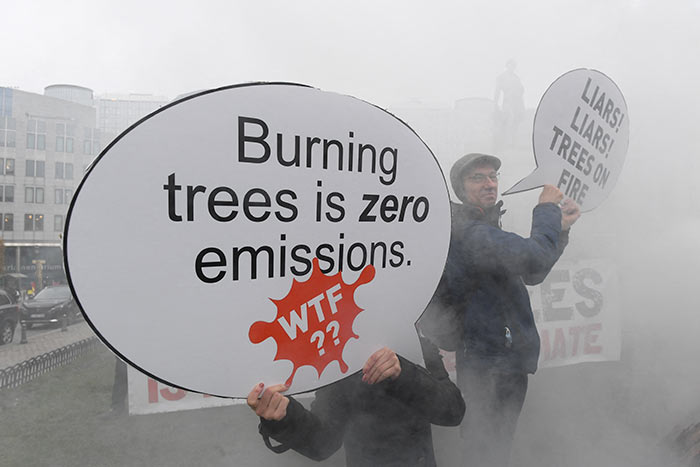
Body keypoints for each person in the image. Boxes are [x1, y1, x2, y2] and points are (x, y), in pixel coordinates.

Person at [437, 153, 580, 466]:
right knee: (485, 451)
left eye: (493, 176)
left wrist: (563, 230)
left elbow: (531, 274)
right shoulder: (469, 232)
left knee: (496, 449)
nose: (489, 184)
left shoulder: (486, 226)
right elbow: (533, 259)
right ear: (460, 190)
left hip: (503, 361)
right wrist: (546, 210)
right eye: (478, 178)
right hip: (487, 364)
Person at [247, 335, 465, 466]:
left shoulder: (411, 340)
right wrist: (284, 417)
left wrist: (402, 373)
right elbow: (323, 443)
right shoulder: (342, 355)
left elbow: (453, 411)